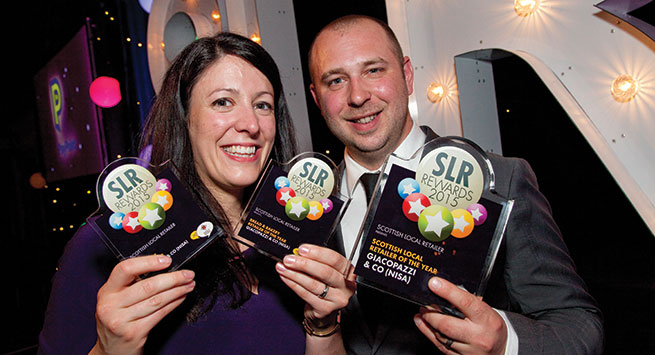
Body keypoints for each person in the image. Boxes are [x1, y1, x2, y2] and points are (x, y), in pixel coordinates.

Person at [39, 32, 354, 354]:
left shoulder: (295, 230)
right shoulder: (105, 244)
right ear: (184, 117)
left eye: (262, 105)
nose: (250, 124)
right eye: (222, 102)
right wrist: (110, 349)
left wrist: (323, 323)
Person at [307, 15, 604, 354]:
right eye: (335, 81)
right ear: (317, 99)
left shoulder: (500, 182)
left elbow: (580, 327)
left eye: (373, 70)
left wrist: (504, 341)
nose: (357, 96)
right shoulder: (311, 202)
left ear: (406, 75)